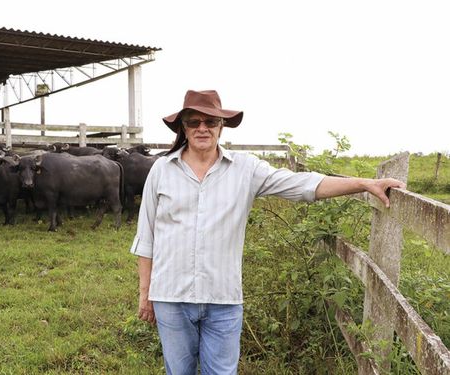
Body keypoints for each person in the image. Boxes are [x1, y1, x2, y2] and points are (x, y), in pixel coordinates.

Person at [129, 89, 405, 374]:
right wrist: (145, 294)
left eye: (210, 122)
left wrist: (363, 183)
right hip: (171, 298)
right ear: (183, 127)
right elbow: (146, 237)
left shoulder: (244, 169)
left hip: (222, 299)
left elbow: (301, 184)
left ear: (221, 127)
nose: (202, 128)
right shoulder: (162, 170)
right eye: (193, 121)